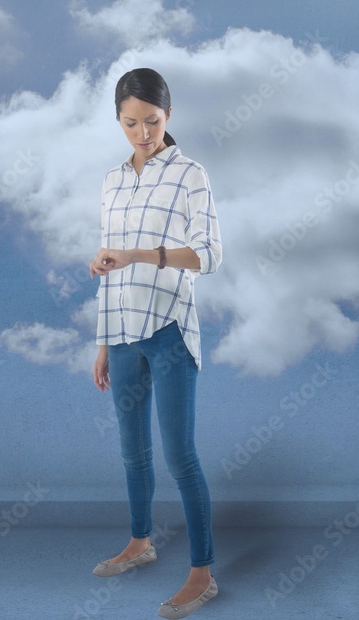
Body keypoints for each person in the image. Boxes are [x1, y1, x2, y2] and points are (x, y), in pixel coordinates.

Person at [88, 67, 222, 618]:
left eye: (152, 121)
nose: (142, 134)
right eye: (130, 123)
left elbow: (209, 256)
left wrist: (141, 254)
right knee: (131, 452)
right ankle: (141, 543)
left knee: (180, 456)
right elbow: (107, 263)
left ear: (169, 116)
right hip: (119, 329)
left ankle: (202, 574)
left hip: (169, 328)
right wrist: (100, 342)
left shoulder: (191, 175)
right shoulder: (112, 181)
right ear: (118, 121)